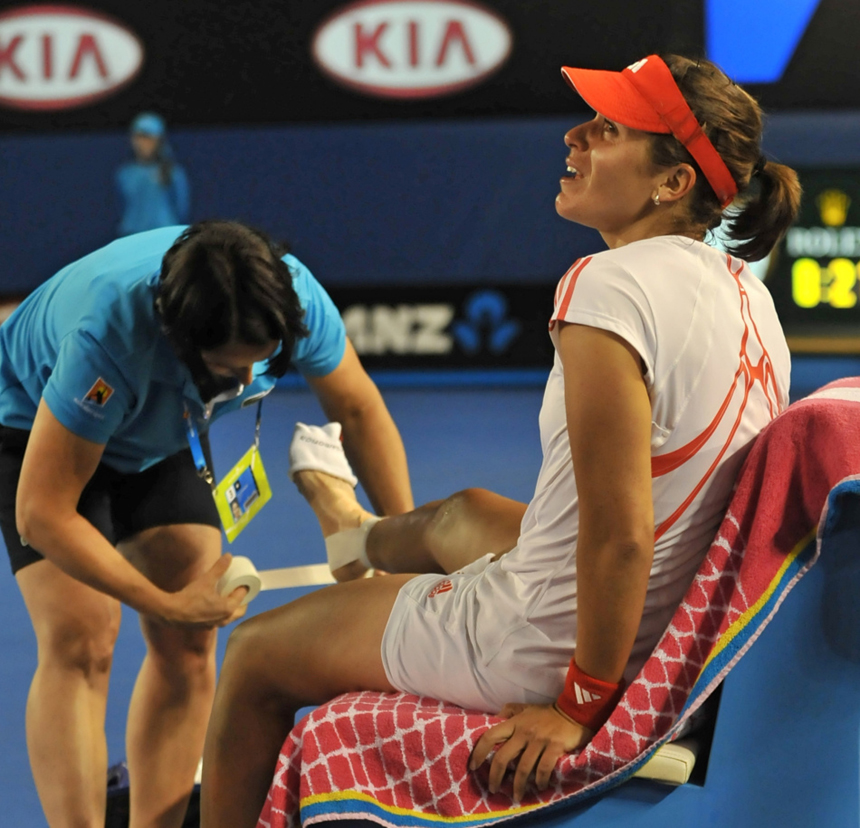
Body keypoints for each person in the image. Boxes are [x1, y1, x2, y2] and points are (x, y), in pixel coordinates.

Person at [199, 54, 801, 825]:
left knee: (254, 655)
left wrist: (580, 705)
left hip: (540, 638)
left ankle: (358, 546)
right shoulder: (751, 293)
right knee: (465, 513)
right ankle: (354, 538)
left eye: (606, 129)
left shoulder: (606, 286)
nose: (573, 136)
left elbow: (620, 537)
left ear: (674, 182)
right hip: (670, 621)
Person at [0, 220, 414, 828]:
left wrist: (402, 543)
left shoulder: (289, 293)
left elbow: (357, 404)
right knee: (82, 637)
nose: (246, 383)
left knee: (193, 645)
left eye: (259, 363)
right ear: (180, 340)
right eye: (228, 368)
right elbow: (43, 513)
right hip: (33, 425)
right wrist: (160, 601)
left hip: (160, 427)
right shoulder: (110, 333)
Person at [116, 112, 191, 237]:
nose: (143, 143)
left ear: (159, 141)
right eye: (139, 137)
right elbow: (119, 207)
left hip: (164, 236)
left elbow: (181, 207)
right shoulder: (124, 174)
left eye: (149, 138)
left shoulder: (174, 173)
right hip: (131, 237)